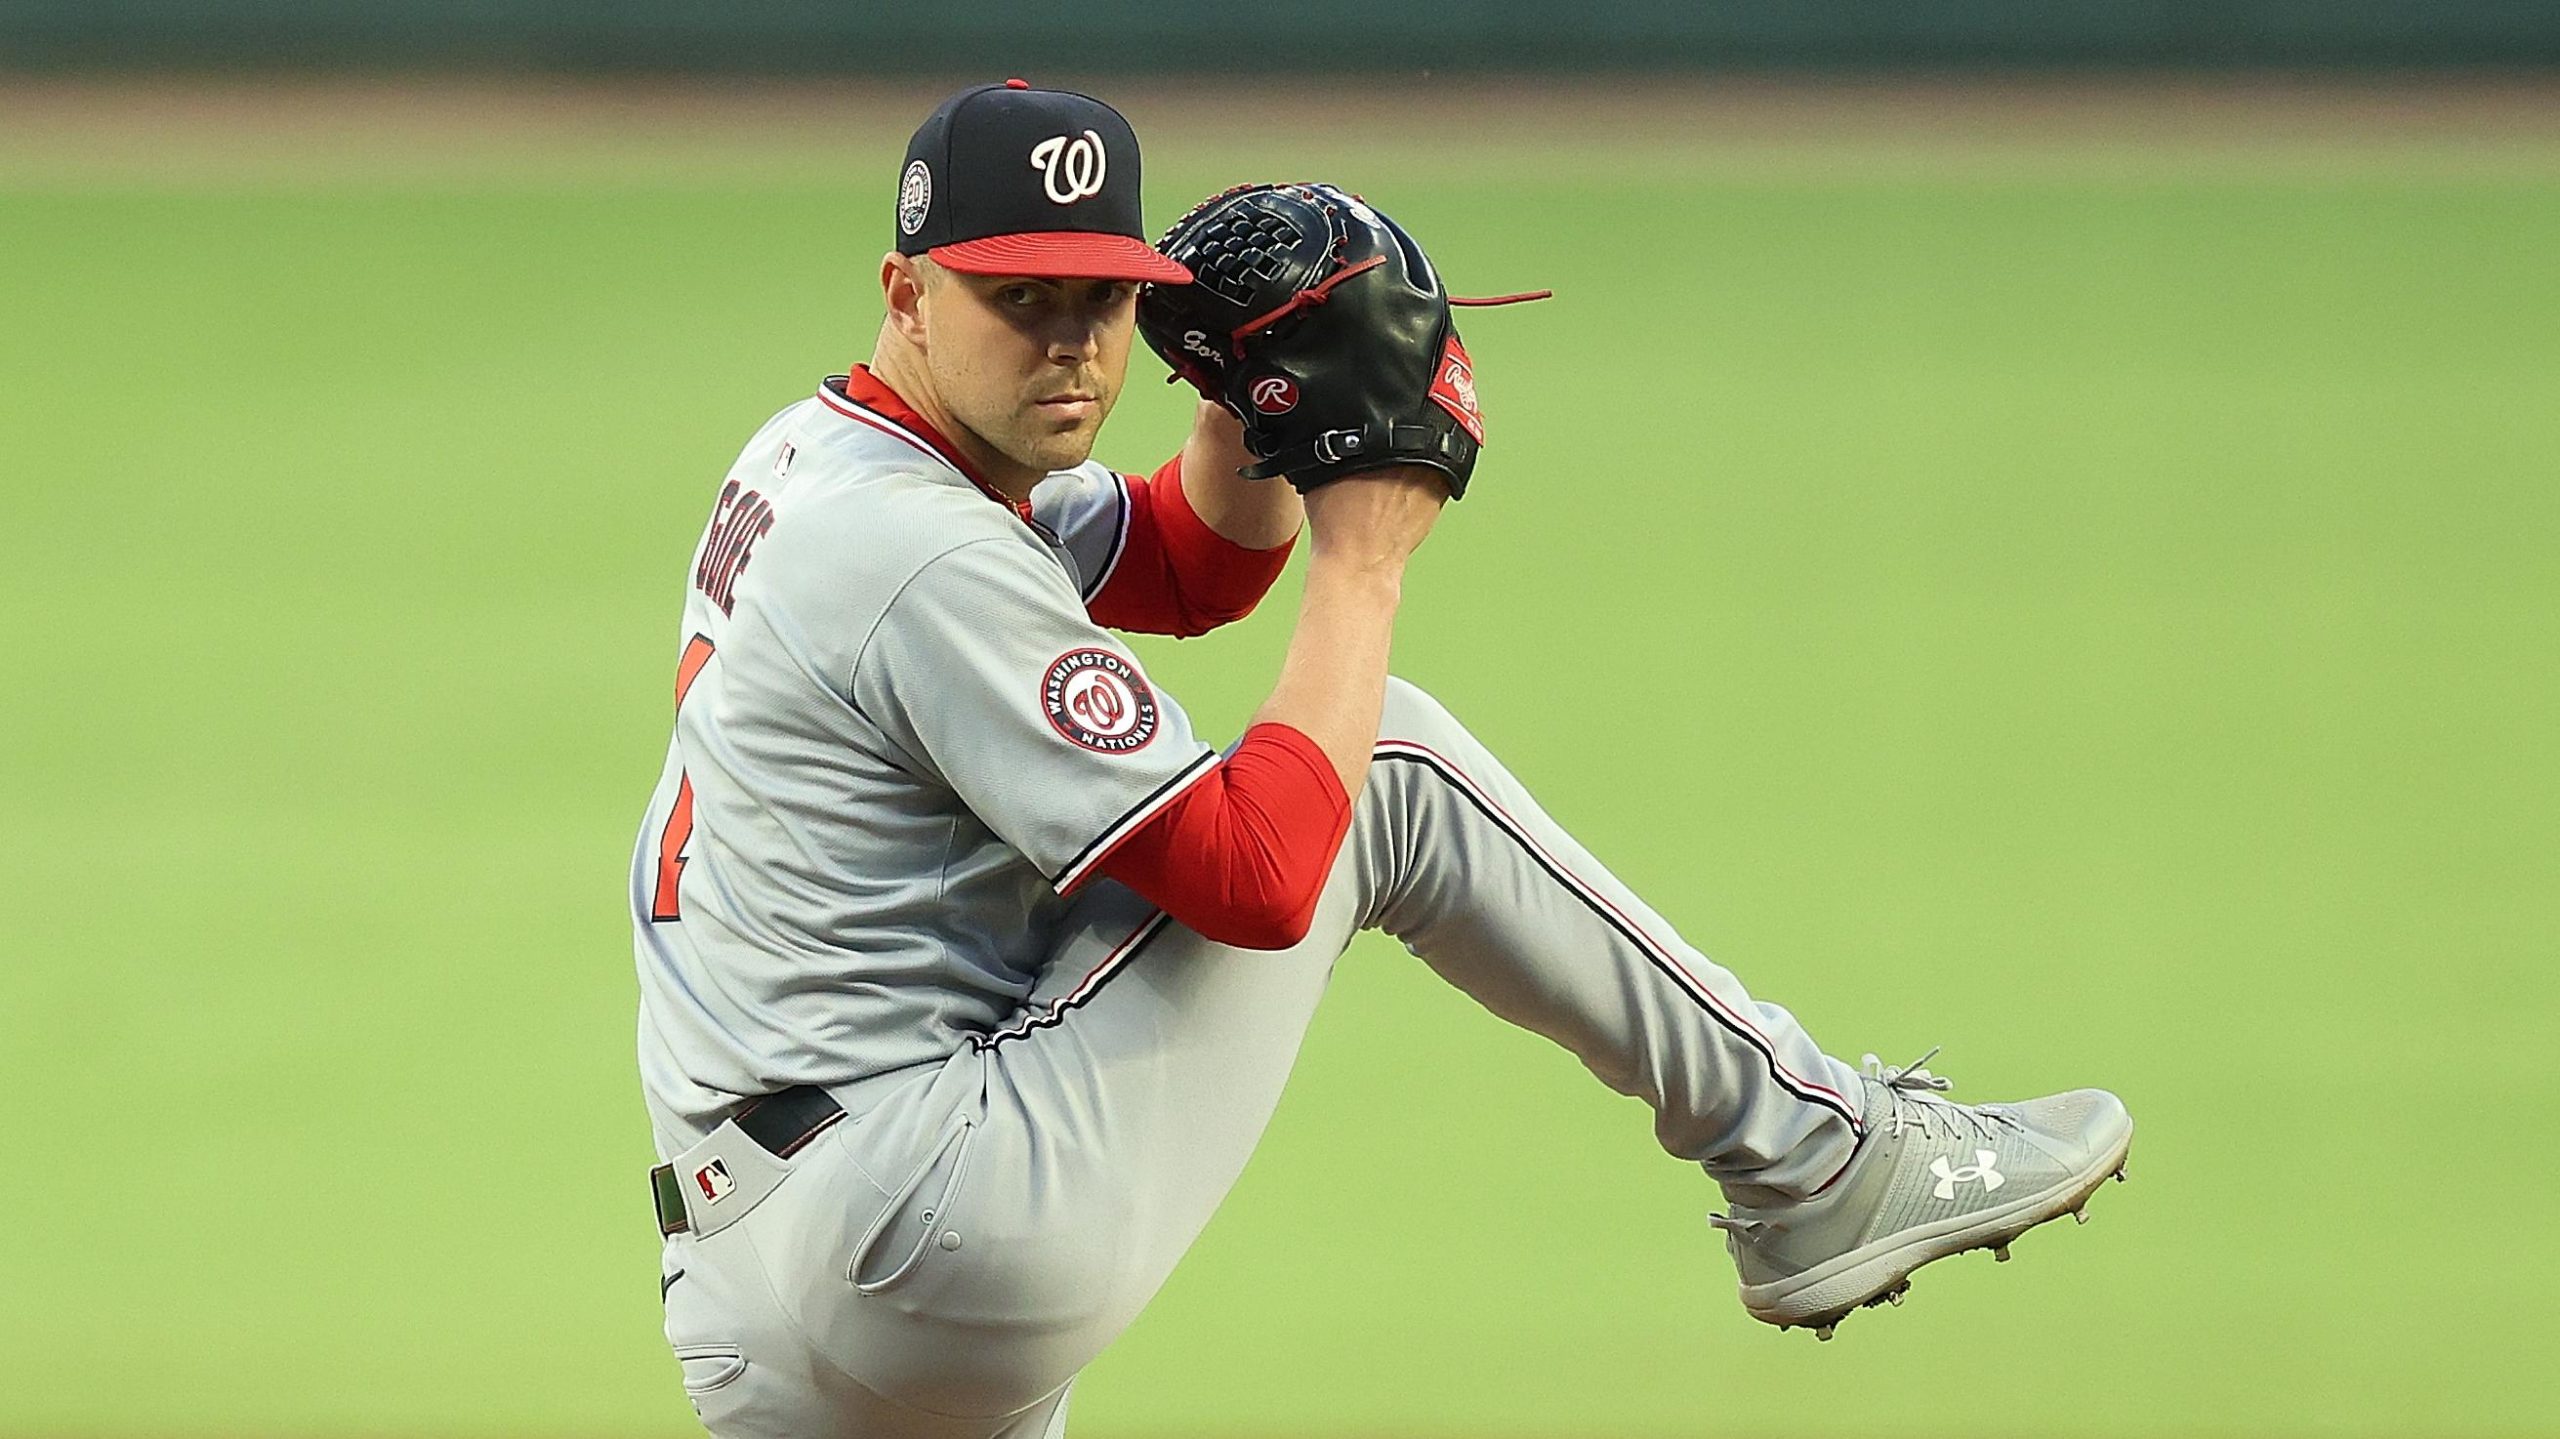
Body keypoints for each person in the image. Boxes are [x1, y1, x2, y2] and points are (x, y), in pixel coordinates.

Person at [632, 80, 2132, 1439]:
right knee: (1387, 769)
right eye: (1020, 296)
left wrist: (1248, 403)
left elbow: (1185, 566)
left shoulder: (837, 458)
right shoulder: (918, 554)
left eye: (1106, 297)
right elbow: (1262, 875)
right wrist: (1366, 549)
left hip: (766, 1262)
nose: (1073, 342)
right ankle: (1815, 1159)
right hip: (919, 1218)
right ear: (905, 290)